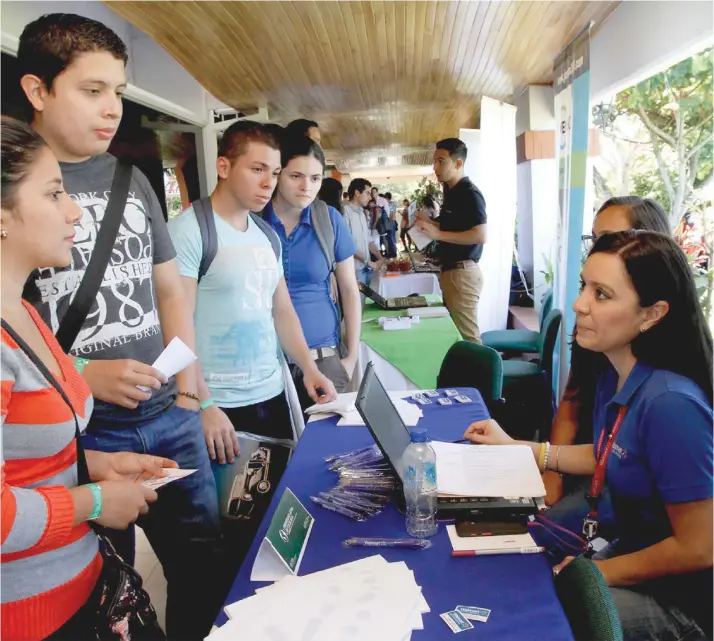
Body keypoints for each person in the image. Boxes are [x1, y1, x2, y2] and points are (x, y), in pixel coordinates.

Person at [17, 14, 221, 639]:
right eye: (91, 89)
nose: (111, 110)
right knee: (109, 585)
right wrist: (80, 375)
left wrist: (190, 391)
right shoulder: (13, 186)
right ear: (38, 91)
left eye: (118, 92)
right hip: (76, 428)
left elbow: (168, 291)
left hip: (169, 410)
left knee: (205, 567)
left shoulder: (135, 180)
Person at [464, 231, 713, 641]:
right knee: (512, 579)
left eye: (602, 295)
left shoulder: (671, 405)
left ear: (652, 314)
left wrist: (592, 573)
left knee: (527, 618)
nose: (579, 304)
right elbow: (608, 453)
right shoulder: (616, 373)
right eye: (584, 287)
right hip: (631, 555)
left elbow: (699, 547)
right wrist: (518, 448)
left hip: (679, 601)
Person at [0, 116, 173, 641]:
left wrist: (99, 464)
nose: (74, 210)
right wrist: (94, 502)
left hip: (85, 588)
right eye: (55, 195)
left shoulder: (25, 314)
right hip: (30, 617)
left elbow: (26, 459)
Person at [168, 121, 337, 581]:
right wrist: (201, 403)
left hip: (271, 398)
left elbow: (280, 308)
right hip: (219, 408)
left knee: (271, 522)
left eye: (275, 171)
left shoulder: (265, 235)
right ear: (224, 166)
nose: (269, 182)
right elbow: (176, 327)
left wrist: (307, 368)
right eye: (257, 169)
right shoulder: (188, 231)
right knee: (223, 536)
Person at [542, 197, 672, 536]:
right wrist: (547, 467)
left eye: (612, 239)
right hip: (595, 468)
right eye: (595, 240)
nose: (579, 304)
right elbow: (576, 407)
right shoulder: (600, 336)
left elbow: (697, 545)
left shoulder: (668, 397)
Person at [262, 135, 361, 407]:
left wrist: (351, 357)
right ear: (278, 173)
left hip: (324, 359)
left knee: (329, 447)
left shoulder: (328, 220)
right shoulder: (254, 221)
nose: (307, 186)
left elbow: (350, 290)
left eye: (315, 178)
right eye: (296, 176)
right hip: (265, 363)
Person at [416, 138, 487, 342]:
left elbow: (481, 235)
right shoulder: (452, 192)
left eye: (441, 161)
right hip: (453, 273)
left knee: (468, 339)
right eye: (434, 161)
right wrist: (429, 223)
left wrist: (438, 234)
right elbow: (454, 226)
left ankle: (481, 374)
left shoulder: (469, 193)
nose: (435, 167)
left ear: (458, 163)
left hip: (462, 273)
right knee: (457, 335)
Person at [343, 178, 383, 284]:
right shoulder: (345, 213)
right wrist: (368, 262)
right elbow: (348, 244)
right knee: (359, 300)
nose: (370, 197)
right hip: (354, 269)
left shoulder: (362, 213)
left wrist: (380, 258)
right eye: (367, 193)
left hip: (366, 268)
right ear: (357, 193)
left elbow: (368, 240)